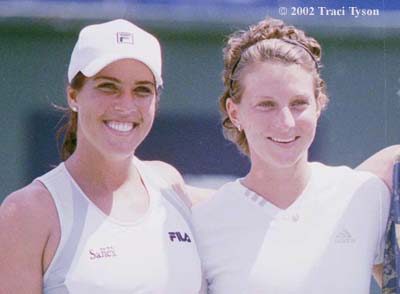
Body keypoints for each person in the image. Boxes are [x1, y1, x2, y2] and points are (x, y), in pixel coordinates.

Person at [0, 19, 205, 293]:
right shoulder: (26, 212)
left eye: (142, 90)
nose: (126, 105)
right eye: (109, 87)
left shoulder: (170, 185)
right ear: (73, 95)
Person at [192, 17, 390, 293]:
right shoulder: (203, 224)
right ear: (235, 112)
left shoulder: (368, 195)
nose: (285, 122)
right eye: (266, 105)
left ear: (319, 105)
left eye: (298, 103)